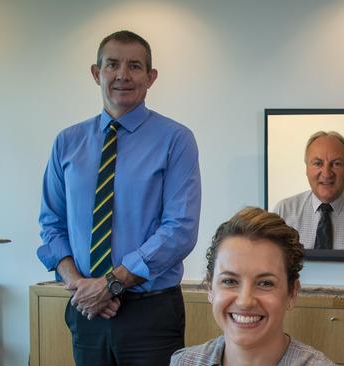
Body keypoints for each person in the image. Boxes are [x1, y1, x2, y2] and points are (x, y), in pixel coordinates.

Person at [37, 30, 201, 365]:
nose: (122, 75)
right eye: (112, 64)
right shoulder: (66, 142)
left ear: (150, 77)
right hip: (86, 310)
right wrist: (80, 285)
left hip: (150, 313)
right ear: (96, 73)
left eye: (135, 66)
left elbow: (180, 229)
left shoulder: (176, 140)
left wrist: (111, 284)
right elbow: (51, 225)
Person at [170, 207, 335, 365]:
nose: (245, 302)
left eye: (265, 283)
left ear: (292, 293)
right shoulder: (183, 362)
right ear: (210, 288)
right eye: (230, 281)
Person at [274, 131, 344, 250]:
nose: (327, 174)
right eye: (318, 163)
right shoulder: (283, 213)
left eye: (336, 164)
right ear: (307, 168)